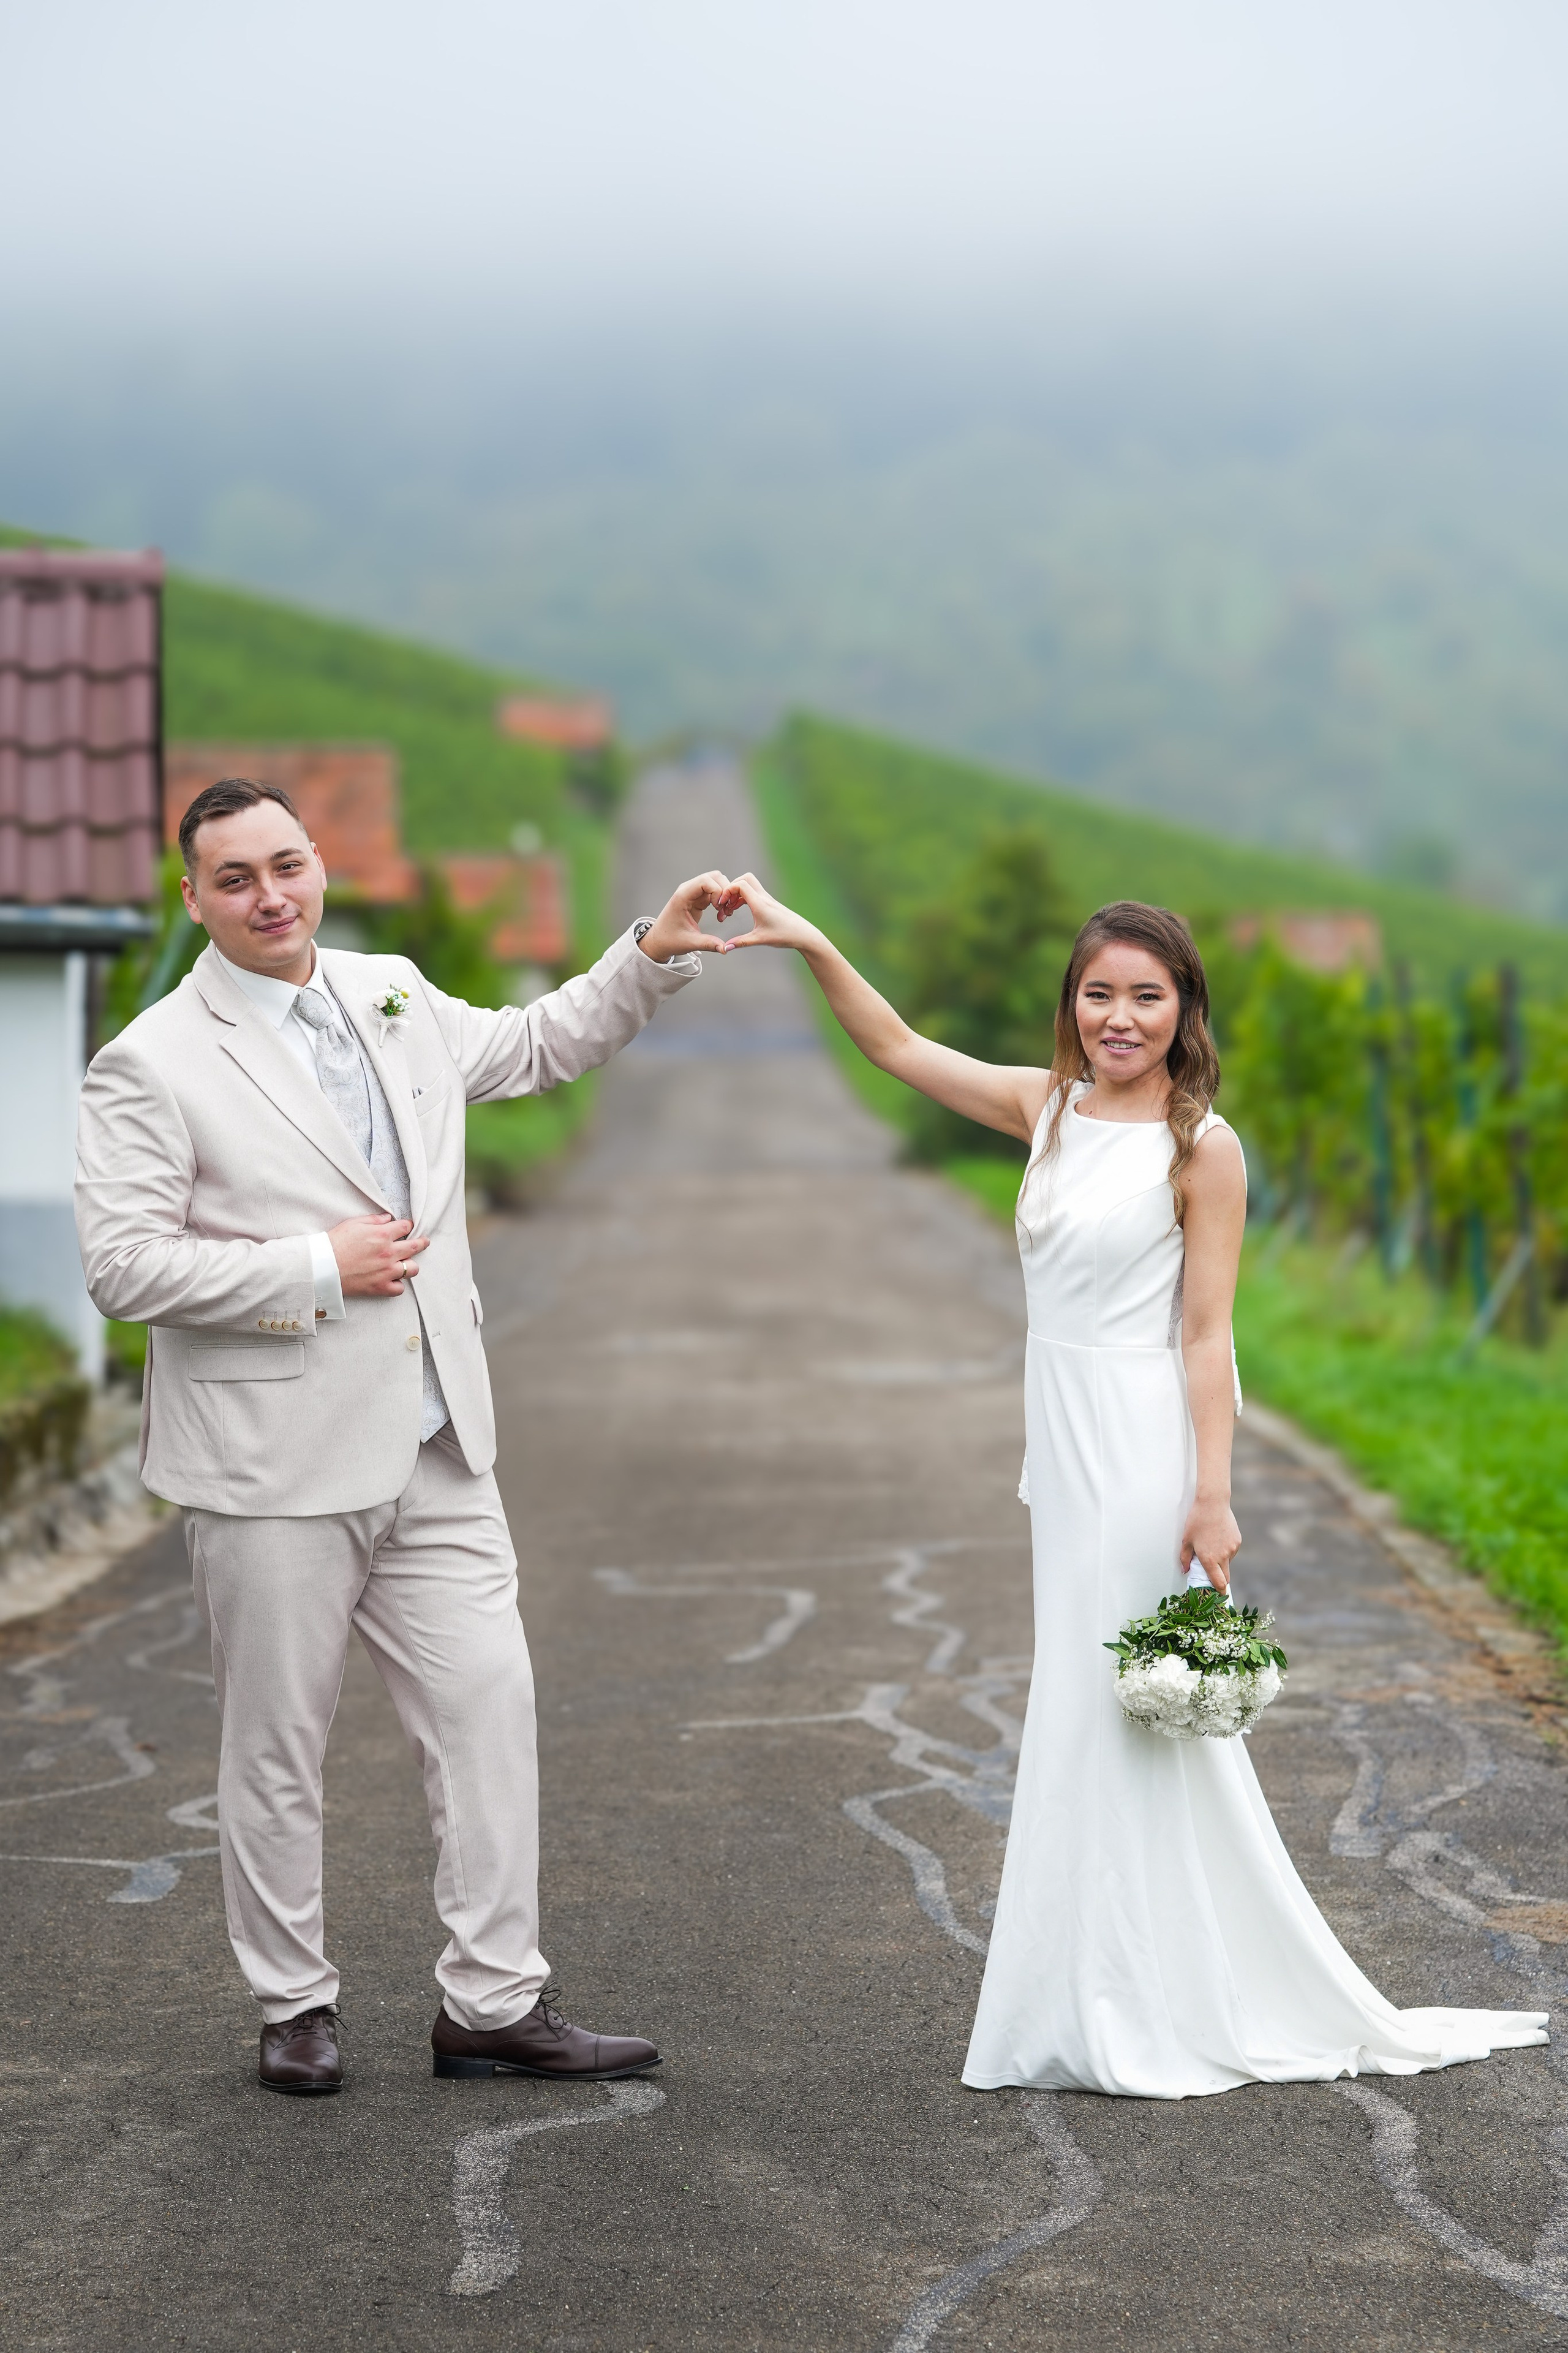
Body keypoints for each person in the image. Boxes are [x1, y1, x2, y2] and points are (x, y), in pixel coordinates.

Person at [721, 877, 1548, 2098]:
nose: (1119, 1016)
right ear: (1070, 1003)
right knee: (1087, 1702)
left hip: (1134, 1440)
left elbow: (1205, 1337)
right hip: (1059, 1445)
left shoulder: (1200, 1149)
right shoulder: (1041, 1108)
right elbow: (892, 1045)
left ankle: (1125, 1993)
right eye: (1097, 993)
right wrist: (803, 938)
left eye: (1144, 996)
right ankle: (1103, 1976)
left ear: (1181, 1008)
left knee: (1109, 1704)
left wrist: (1210, 1496)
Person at [75, 776, 740, 2096]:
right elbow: (121, 1266)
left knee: (491, 1711)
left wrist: (646, 954)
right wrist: (314, 1263)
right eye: (234, 879)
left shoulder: (390, 988)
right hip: (272, 1464)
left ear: (319, 865)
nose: (270, 895)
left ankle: (492, 2002)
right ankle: (292, 2003)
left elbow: (535, 1045)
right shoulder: (151, 1059)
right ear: (194, 898)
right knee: (275, 1746)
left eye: (287, 864)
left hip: (439, 1442)